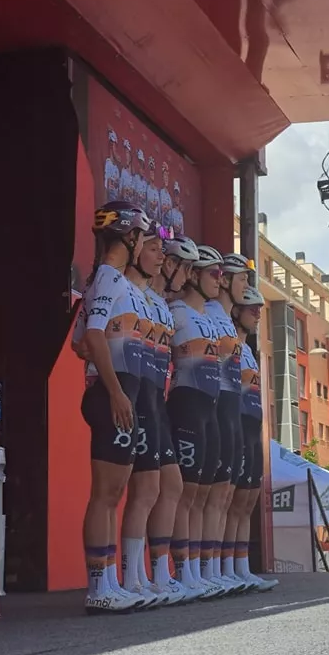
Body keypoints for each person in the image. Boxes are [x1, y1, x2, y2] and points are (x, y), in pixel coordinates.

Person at [75, 200, 151, 614]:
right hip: (113, 392)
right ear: (129, 236)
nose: (143, 243)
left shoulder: (110, 279)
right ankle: (99, 585)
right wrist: (115, 390)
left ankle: (109, 581)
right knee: (106, 493)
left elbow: (78, 343)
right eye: (141, 235)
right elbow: (92, 335)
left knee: (115, 491)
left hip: (120, 389)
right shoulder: (108, 276)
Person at [118, 220, 176, 607]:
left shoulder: (156, 302)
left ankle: (150, 575)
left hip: (155, 396)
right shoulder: (120, 286)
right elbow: (85, 341)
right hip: (134, 393)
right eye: (154, 248)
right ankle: (132, 576)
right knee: (136, 490)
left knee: (158, 488)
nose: (163, 259)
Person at [143, 234, 201, 602]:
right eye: (186, 267)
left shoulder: (166, 305)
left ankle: (162, 572)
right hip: (139, 397)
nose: (188, 275)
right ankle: (147, 574)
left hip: (156, 400)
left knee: (172, 486)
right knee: (146, 489)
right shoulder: (150, 298)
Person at [166, 245, 224, 599]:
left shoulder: (209, 317)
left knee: (202, 493)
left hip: (211, 407)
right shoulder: (177, 311)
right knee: (185, 493)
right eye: (213, 274)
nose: (219, 280)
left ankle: (200, 570)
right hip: (186, 402)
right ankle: (180, 569)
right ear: (195, 275)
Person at [202, 251, 252, 594]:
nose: (246, 287)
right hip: (213, 405)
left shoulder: (223, 318)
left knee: (225, 496)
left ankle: (219, 569)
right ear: (225, 280)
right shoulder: (207, 313)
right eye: (243, 280)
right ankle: (203, 570)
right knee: (208, 495)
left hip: (232, 408)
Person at [223, 284, 278, 592]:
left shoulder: (249, 351)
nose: (258, 314)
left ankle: (241, 568)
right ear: (236, 311)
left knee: (247, 501)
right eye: (251, 309)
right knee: (230, 500)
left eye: (260, 309)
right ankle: (224, 567)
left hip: (252, 427)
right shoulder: (229, 344)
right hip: (234, 422)